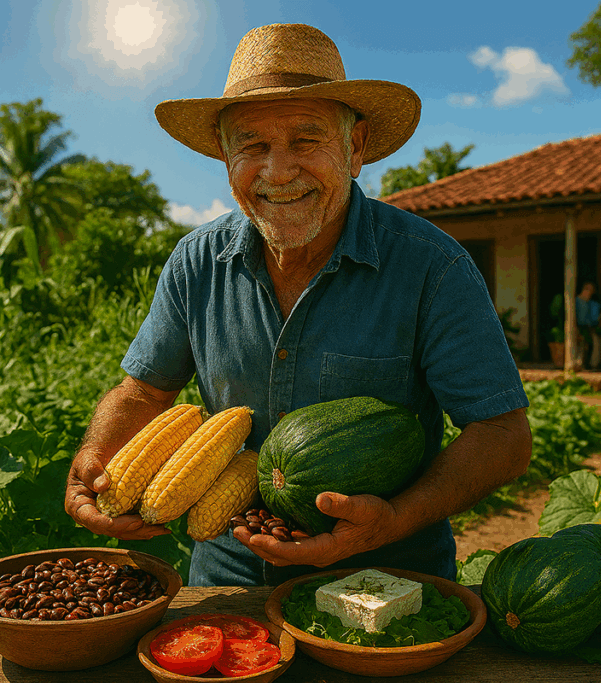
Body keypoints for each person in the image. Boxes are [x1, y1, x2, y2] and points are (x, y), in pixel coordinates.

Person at [64, 23, 532, 587]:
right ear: (224, 154)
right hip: (227, 574)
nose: (279, 171)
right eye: (252, 145)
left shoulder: (432, 267)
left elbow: (502, 434)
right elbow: (144, 390)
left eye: (307, 140)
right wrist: (96, 454)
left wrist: (393, 520)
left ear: (354, 148)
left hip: (387, 577)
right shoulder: (195, 262)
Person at [574, 282, 601, 369]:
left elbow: (595, 320)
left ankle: (589, 364)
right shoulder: (575, 302)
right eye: (586, 289)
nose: (588, 292)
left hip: (590, 328)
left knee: (592, 342)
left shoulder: (594, 304)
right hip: (577, 327)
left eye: (591, 290)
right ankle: (579, 364)